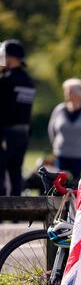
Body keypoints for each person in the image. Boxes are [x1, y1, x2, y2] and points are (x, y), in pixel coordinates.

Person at [0, 39, 36, 196]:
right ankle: (17, 213)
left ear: (11, 58)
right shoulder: (28, 81)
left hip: (6, 132)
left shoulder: (6, 81)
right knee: (15, 172)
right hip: (23, 133)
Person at [48, 78, 81, 180]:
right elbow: (52, 130)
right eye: (66, 90)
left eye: (70, 91)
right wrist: (56, 146)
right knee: (59, 183)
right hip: (61, 154)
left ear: (79, 94)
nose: (67, 93)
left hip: (78, 156)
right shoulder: (59, 110)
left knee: (75, 183)